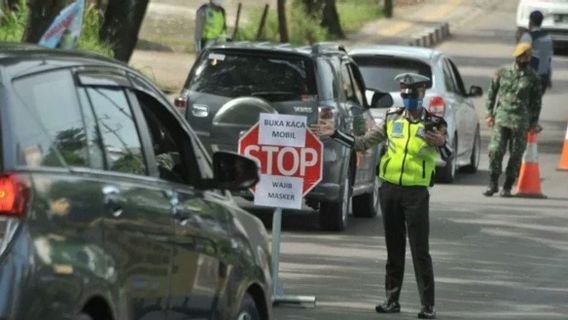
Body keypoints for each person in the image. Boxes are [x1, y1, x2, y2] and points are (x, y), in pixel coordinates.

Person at [313, 73, 447, 319]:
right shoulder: (392, 118)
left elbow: (447, 154)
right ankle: (391, 300)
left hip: (416, 192)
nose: (408, 98)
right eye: (404, 93)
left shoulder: (434, 122)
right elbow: (362, 143)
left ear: (422, 93)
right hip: (389, 190)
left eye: (413, 93)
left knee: (420, 250)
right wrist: (334, 134)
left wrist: (441, 142)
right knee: (393, 247)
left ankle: (428, 306)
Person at [483, 42, 542, 197]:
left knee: (516, 154)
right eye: (522, 55)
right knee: (495, 150)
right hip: (501, 118)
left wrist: (534, 123)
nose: (524, 58)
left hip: (521, 121)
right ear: (516, 56)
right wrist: (489, 114)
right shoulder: (502, 72)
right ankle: (493, 183)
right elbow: (491, 93)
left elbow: (536, 102)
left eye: (527, 56)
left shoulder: (533, 78)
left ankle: (508, 186)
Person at [519, 10, 553, 94]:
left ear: (530, 21)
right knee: (536, 103)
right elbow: (548, 59)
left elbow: (520, 57)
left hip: (530, 77)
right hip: (543, 77)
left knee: (526, 103)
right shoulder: (548, 37)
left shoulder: (527, 36)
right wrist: (548, 77)